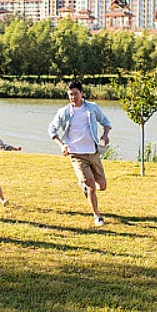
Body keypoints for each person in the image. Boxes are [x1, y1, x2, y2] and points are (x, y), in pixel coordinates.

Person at [48, 80, 112, 227]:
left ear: (82, 93)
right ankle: (97, 216)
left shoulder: (92, 108)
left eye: (75, 94)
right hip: (76, 155)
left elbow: (106, 122)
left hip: (93, 152)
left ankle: (83, 186)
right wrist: (62, 145)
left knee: (101, 186)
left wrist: (105, 135)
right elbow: (52, 129)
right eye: (70, 95)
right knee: (91, 187)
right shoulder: (64, 112)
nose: (73, 97)